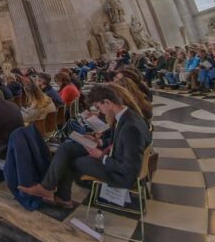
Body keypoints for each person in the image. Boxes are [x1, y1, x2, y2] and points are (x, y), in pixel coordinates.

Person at [19, 84, 151, 207]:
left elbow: (129, 170)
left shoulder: (131, 128)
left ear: (107, 102)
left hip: (120, 175)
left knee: (72, 161)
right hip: (112, 154)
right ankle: (47, 187)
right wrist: (99, 142)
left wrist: (101, 157)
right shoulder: (126, 115)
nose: (100, 111)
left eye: (98, 107)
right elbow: (116, 140)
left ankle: (62, 197)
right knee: (66, 148)